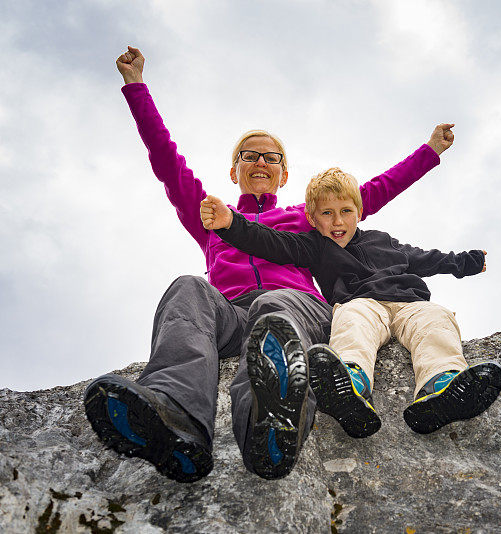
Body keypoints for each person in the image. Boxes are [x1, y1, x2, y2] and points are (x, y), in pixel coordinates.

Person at [83, 46, 455, 482]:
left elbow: (371, 192)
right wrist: (136, 86)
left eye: (271, 158)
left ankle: (270, 423)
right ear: (234, 171)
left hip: (298, 308)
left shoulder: (306, 216)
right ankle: (174, 416)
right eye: (250, 156)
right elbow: (166, 161)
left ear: (283, 174)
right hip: (232, 311)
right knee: (187, 287)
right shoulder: (211, 214)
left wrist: (430, 151)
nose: (260, 161)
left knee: (273, 307)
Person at [199, 167, 501, 439]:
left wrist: (464, 263)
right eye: (327, 213)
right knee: (351, 321)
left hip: (409, 303)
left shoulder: (383, 240)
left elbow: (425, 258)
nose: (337, 221)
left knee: (436, 319)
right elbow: (272, 243)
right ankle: (351, 382)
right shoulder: (314, 247)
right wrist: (231, 224)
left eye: (345, 211)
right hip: (360, 303)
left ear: (359, 212)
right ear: (311, 219)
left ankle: (442, 385)